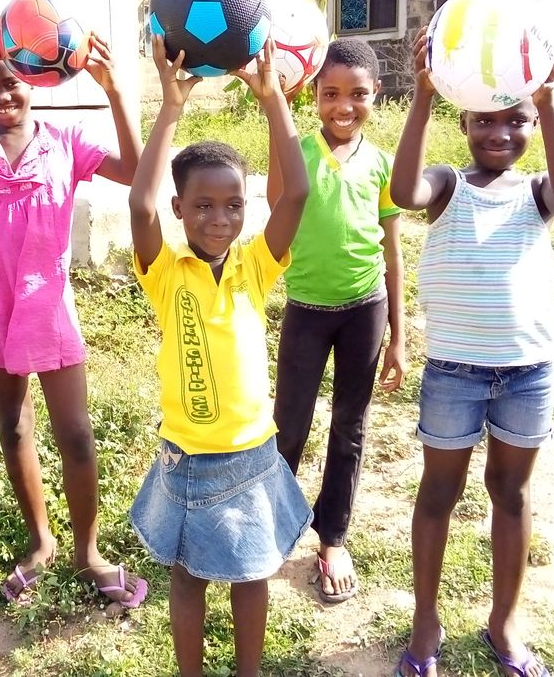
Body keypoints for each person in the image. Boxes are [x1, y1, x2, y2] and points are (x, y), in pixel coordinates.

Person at [0, 22, 147, 608]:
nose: (0, 96)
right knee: (13, 423)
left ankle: (88, 550)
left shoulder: (65, 141)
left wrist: (116, 90)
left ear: (35, 81)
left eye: (10, 83)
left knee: (77, 434)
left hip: (49, 311)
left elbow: (137, 171)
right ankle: (41, 541)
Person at [389, 28, 554, 677]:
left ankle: (504, 622)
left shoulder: (538, 192)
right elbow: (404, 193)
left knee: (511, 490)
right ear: (464, 123)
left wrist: (550, 106)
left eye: (516, 120)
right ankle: (426, 620)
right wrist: (422, 96)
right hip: (455, 371)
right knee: (438, 492)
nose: (499, 133)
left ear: (532, 124)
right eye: (484, 120)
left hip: (527, 373)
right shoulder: (449, 185)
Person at [127, 35, 314, 677]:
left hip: (251, 453)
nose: (219, 218)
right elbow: (139, 203)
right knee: (187, 577)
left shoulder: (254, 267)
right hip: (188, 456)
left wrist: (273, 101)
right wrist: (169, 109)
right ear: (180, 209)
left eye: (233, 205)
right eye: (203, 206)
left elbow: (295, 195)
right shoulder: (164, 270)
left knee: (252, 572)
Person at [269, 36, 407, 604]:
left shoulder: (381, 164)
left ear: (377, 94)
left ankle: (333, 538)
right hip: (306, 310)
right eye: (330, 93)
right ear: (313, 96)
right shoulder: (296, 152)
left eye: (357, 94)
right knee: (289, 425)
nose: (343, 106)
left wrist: (400, 335)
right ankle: (275, 526)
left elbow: (392, 251)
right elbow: (276, 203)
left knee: (350, 426)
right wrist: (273, 103)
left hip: (365, 310)